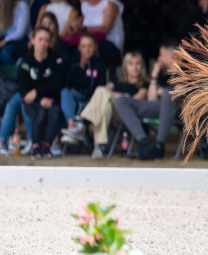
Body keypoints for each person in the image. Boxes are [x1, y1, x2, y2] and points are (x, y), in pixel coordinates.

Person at [113, 40, 180, 160]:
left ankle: (159, 145)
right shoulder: (163, 75)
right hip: (161, 108)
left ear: (171, 56)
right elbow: (151, 99)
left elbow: (181, 92)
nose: (158, 59)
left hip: (180, 109)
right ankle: (143, 142)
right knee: (121, 101)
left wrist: (164, 91)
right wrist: (154, 74)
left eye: (161, 55)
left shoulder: (185, 70)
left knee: (167, 93)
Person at [76, 50, 148, 158]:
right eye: (131, 63)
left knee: (102, 92)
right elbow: (102, 93)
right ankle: (99, 146)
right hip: (110, 113)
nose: (135, 67)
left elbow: (134, 100)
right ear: (125, 66)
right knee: (105, 105)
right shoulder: (117, 80)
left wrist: (117, 95)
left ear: (142, 66)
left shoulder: (145, 84)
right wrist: (124, 95)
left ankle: (83, 124)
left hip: (127, 115)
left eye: (137, 63)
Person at [18, 26, 66, 158]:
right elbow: (23, 89)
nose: (43, 43)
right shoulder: (25, 61)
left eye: (46, 40)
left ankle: (46, 146)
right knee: (41, 112)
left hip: (51, 100)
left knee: (54, 111)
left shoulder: (56, 59)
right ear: (32, 40)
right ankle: (35, 146)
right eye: (40, 39)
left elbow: (57, 83)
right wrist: (39, 99)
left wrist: (37, 92)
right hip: (32, 102)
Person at [58, 32, 105, 146]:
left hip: (91, 100)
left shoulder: (99, 64)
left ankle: (72, 132)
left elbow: (100, 87)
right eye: (84, 46)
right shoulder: (73, 63)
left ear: (95, 47)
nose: (87, 49)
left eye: (90, 46)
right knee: (64, 92)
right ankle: (71, 126)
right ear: (79, 47)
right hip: (74, 98)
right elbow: (66, 83)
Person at [71, 0, 125, 65]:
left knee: (81, 50)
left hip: (110, 43)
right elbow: (84, 19)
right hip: (90, 42)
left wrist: (84, 28)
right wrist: (76, 24)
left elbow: (105, 28)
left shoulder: (109, 4)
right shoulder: (85, 5)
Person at [0, 0, 30, 65]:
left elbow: (20, 33)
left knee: (5, 53)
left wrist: (3, 42)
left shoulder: (22, 6)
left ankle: (15, 72)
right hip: (5, 37)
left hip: (21, 40)